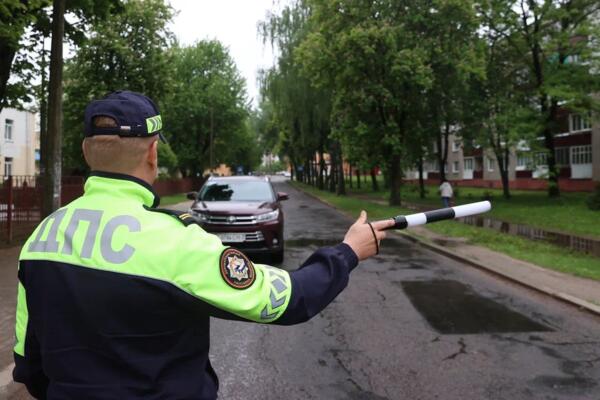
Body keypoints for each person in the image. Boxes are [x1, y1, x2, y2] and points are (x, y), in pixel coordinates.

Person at [12, 90, 394, 399]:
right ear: (153, 153)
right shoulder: (174, 241)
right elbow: (286, 299)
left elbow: (29, 365)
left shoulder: (41, 237)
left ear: (86, 151)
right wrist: (348, 251)